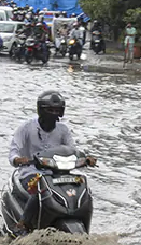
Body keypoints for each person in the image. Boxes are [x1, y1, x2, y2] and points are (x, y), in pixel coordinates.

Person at [8, 91, 95, 235]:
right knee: (40, 189)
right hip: (31, 172)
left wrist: (85, 159)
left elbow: (71, 150)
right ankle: (22, 223)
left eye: (57, 110)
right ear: (41, 110)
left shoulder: (63, 130)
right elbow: (13, 152)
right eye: (50, 110)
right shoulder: (26, 128)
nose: (53, 114)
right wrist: (19, 159)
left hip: (58, 173)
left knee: (84, 189)